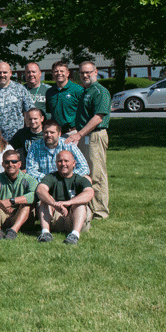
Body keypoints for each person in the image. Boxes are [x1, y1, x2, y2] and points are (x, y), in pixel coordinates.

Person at [67, 61, 110, 220]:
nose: (85, 75)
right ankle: (90, 207)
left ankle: (100, 212)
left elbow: (98, 117)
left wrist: (79, 134)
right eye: (82, 73)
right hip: (86, 135)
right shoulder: (86, 91)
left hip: (95, 135)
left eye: (88, 72)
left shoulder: (100, 91)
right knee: (87, 172)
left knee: (97, 174)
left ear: (96, 72)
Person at [0, 150, 38, 240]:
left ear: (19, 164)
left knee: (27, 204)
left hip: (21, 216)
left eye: (14, 161)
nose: (10, 164)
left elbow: (35, 194)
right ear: (3, 164)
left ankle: (13, 231)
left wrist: (12, 201)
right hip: (3, 214)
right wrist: (0, 202)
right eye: (7, 162)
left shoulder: (28, 179)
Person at [36, 150, 94, 244]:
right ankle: (45, 233)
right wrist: (54, 204)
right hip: (55, 219)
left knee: (80, 205)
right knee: (44, 202)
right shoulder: (50, 177)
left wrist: (68, 202)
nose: (63, 164)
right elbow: (40, 190)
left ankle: (74, 235)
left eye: (66, 161)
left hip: (75, 220)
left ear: (74, 163)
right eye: (60, 161)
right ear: (56, 163)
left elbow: (89, 193)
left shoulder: (80, 179)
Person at [46, 60, 83, 132]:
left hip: (73, 131)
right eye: (56, 71)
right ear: (53, 74)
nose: (59, 73)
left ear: (67, 73)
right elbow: (50, 113)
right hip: (56, 132)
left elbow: (84, 112)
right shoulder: (49, 92)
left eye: (62, 71)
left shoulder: (77, 90)